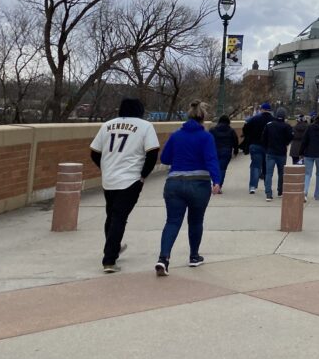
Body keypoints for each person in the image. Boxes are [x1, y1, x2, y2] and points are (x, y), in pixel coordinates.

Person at [89, 98, 160, 273]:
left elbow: (94, 153)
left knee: (111, 215)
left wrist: (105, 168)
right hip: (130, 179)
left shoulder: (107, 125)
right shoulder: (145, 126)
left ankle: (112, 247)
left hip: (109, 179)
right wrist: (143, 175)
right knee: (119, 217)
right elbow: (152, 154)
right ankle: (109, 259)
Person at [155, 101, 222, 276]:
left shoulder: (176, 135)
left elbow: (165, 158)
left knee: (172, 221)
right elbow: (211, 159)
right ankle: (193, 256)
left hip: (174, 183)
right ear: (203, 117)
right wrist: (216, 181)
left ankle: (163, 258)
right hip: (199, 184)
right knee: (196, 221)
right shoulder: (206, 137)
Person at [241, 102, 273, 194]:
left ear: (261, 109)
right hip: (268, 146)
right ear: (270, 110)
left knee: (255, 166)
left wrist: (249, 136)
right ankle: (267, 187)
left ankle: (252, 187)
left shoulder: (254, 119)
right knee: (267, 167)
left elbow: (245, 128)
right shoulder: (273, 120)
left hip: (255, 145)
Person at [262, 108, 294, 200]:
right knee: (281, 173)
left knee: (269, 173)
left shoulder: (269, 125)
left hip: (270, 152)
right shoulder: (287, 126)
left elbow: (263, 138)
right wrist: (285, 143)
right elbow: (291, 137)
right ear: (284, 116)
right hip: (281, 152)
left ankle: (268, 194)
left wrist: (267, 147)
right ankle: (280, 191)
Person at [298, 112, 319, 201]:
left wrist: (301, 153)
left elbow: (304, 140)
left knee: (307, 174)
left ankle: (305, 192)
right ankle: (317, 195)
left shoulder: (310, 127)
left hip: (308, 152)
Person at [209, 115, 239, 191]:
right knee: (222, 169)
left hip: (214, 151)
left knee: (215, 168)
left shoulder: (213, 130)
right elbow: (235, 141)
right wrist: (236, 151)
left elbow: (208, 140)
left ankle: (215, 184)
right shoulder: (231, 130)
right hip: (226, 151)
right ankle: (219, 186)